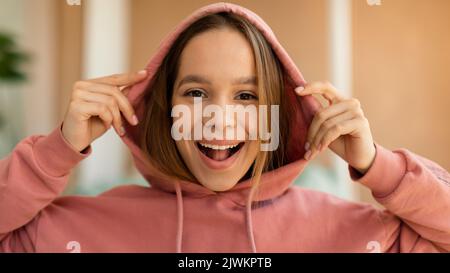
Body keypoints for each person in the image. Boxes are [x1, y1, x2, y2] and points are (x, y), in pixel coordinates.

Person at [0, 2, 449, 253]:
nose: (220, 118)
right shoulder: (68, 231)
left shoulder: (358, 235)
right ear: (164, 110)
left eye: (247, 96)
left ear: (280, 112)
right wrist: (53, 153)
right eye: (195, 93)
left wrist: (380, 166)